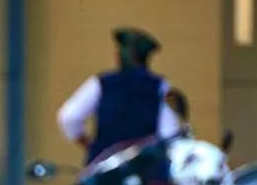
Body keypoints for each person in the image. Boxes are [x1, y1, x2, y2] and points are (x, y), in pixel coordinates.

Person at [57, 27, 181, 164]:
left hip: (104, 169)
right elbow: (169, 133)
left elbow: (68, 117)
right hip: (145, 170)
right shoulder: (160, 86)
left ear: (123, 55)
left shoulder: (102, 83)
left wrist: (90, 146)